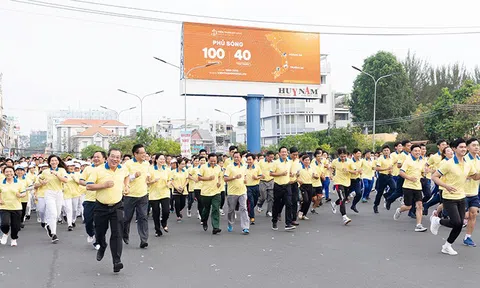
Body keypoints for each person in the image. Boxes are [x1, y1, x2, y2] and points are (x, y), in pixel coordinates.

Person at [430, 138, 480, 255]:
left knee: (459, 224)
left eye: (464, 147)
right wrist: (446, 186)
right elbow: (434, 176)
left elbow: (475, 176)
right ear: (454, 149)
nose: (463, 149)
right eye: (460, 147)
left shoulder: (467, 164)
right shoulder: (448, 164)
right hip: (449, 197)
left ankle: (447, 246)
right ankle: (437, 220)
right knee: (456, 222)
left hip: (461, 197)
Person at [86, 148, 129, 273]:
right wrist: (103, 185)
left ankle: (117, 261)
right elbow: (89, 186)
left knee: (117, 234)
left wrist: (126, 186)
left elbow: (127, 177)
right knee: (100, 233)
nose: (115, 159)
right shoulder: (98, 170)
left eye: (118, 157)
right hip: (101, 207)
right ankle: (102, 245)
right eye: (113, 156)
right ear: (107, 157)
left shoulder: (123, 168)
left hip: (117, 206)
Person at [394, 144, 428, 232]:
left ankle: (418, 225)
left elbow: (421, 172)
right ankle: (400, 210)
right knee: (408, 206)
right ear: (411, 152)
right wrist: (410, 178)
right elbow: (401, 172)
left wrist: (424, 173)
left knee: (419, 205)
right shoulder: (407, 161)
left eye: (419, 151)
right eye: (415, 151)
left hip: (418, 187)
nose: (418, 152)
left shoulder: (421, 161)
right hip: (408, 186)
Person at [123, 144, 150, 249]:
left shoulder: (146, 164)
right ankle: (125, 234)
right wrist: (134, 176)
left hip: (143, 194)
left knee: (143, 217)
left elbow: (147, 175)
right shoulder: (128, 164)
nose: (144, 154)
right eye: (142, 153)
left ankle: (144, 240)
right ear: (135, 154)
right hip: (130, 195)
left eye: (145, 152)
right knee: (127, 218)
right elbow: (123, 178)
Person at [38, 155, 68, 243]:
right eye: (52, 161)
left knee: (57, 214)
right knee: (53, 213)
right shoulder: (45, 171)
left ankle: (48, 226)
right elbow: (40, 179)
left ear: (58, 162)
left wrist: (57, 174)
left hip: (59, 193)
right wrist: (42, 182)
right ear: (49, 162)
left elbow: (65, 180)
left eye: (55, 160)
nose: (54, 162)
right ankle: (54, 234)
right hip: (49, 193)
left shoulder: (62, 170)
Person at [79, 151, 105, 249]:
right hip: (89, 199)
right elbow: (80, 180)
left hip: (101, 200)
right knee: (88, 221)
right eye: (94, 157)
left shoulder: (106, 170)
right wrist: (90, 185)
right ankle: (90, 233)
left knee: (99, 223)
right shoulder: (88, 168)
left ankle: (97, 242)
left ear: (104, 159)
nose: (96, 159)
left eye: (98, 157)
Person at [224, 151, 249, 234]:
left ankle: (245, 227)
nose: (236, 159)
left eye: (238, 157)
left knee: (244, 208)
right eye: (235, 157)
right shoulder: (229, 167)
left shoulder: (244, 166)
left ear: (241, 158)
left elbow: (245, 176)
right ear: (233, 158)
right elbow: (225, 178)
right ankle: (230, 224)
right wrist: (234, 177)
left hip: (242, 191)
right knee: (231, 210)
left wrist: (245, 180)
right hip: (232, 192)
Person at [0, 166, 26, 246]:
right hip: (4, 207)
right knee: (4, 224)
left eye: (10, 171)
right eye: (7, 172)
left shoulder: (19, 183)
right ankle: (5, 233)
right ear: (4, 173)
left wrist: (20, 195)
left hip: (16, 207)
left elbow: (24, 193)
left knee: (16, 226)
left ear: (13, 172)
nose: (9, 173)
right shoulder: (1, 182)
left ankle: (14, 239)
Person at [270, 146, 295, 231]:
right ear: (279, 153)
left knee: (289, 204)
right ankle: (274, 221)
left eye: (285, 152)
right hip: (278, 186)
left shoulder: (289, 162)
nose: (284, 153)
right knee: (276, 204)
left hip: (287, 185)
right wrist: (281, 174)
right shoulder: (275, 163)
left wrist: (291, 174)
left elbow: (289, 171)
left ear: (287, 153)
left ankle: (288, 224)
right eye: (282, 152)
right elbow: (271, 174)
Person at [198, 153, 223, 234]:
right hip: (206, 192)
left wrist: (219, 182)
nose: (213, 163)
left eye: (214, 161)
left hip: (216, 192)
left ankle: (216, 227)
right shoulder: (203, 167)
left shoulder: (218, 167)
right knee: (206, 209)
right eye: (211, 161)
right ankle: (204, 220)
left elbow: (219, 176)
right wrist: (208, 178)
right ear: (208, 160)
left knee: (216, 208)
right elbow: (199, 177)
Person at [147, 154, 171, 237]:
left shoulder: (167, 170)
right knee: (156, 212)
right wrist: (153, 181)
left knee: (166, 211)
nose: (162, 161)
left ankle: (163, 222)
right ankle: (157, 230)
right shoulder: (151, 169)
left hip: (165, 193)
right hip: (154, 194)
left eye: (163, 159)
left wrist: (169, 183)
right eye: (160, 159)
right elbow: (147, 182)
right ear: (156, 160)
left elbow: (170, 179)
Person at [463, 138, 480, 247]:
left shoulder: (478, 159)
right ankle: (438, 216)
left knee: (473, 214)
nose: (476, 147)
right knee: (465, 216)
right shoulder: (464, 160)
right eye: (474, 145)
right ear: (468, 147)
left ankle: (467, 237)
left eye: (477, 145)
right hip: (462, 192)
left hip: (474, 192)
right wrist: (473, 176)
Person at [331, 148, 354, 225]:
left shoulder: (350, 162)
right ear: (338, 155)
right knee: (342, 199)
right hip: (338, 182)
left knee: (344, 198)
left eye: (344, 156)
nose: (343, 158)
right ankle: (344, 217)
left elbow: (355, 171)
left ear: (347, 155)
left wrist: (349, 170)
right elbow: (331, 167)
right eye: (341, 156)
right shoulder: (335, 161)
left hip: (347, 182)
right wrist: (331, 174)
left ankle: (335, 203)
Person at [373, 145, 396, 214]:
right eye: (385, 150)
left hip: (389, 176)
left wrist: (391, 170)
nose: (386, 152)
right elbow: (377, 168)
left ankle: (386, 196)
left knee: (394, 188)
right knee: (380, 192)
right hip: (382, 176)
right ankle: (376, 205)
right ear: (382, 152)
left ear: (390, 151)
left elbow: (391, 166)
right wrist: (386, 169)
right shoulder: (380, 159)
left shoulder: (391, 158)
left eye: (387, 150)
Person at [245, 153, 262, 225]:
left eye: (250, 159)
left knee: (254, 201)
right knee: (251, 202)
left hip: (256, 186)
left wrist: (256, 178)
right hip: (247, 187)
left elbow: (261, 176)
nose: (249, 161)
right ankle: (252, 217)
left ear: (254, 160)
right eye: (247, 159)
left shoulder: (257, 167)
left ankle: (249, 209)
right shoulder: (244, 168)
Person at [63, 161, 81, 231]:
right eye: (70, 166)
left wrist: (75, 179)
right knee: (69, 209)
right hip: (67, 194)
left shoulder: (77, 174)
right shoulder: (64, 174)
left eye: (73, 166)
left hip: (75, 194)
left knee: (74, 209)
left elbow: (80, 182)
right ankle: (69, 224)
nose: (72, 168)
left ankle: (73, 220)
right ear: (67, 167)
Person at [297, 154, 315, 220]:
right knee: (305, 199)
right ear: (303, 161)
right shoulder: (299, 168)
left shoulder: (311, 168)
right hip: (303, 185)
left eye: (308, 160)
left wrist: (315, 176)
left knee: (309, 201)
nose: (307, 161)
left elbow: (315, 175)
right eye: (305, 160)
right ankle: (301, 211)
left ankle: (304, 214)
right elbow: (295, 176)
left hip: (310, 185)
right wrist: (298, 180)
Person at [257, 151, 275, 217]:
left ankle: (269, 211)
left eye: (272, 157)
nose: (271, 159)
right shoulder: (261, 162)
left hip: (271, 180)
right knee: (263, 196)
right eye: (270, 157)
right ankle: (259, 204)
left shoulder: (274, 163)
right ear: (266, 156)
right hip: (262, 181)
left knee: (271, 197)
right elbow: (257, 169)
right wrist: (260, 175)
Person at [171, 157, 188, 222]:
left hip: (183, 190)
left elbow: (187, 180)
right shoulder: (173, 172)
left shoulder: (185, 171)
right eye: (182, 164)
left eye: (184, 164)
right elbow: (171, 181)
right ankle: (178, 215)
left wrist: (183, 187)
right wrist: (176, 187)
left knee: (183, 203)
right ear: (178, 164)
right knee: (177, 203)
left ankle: (178, 211)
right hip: (176, 190)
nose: (183, 165)